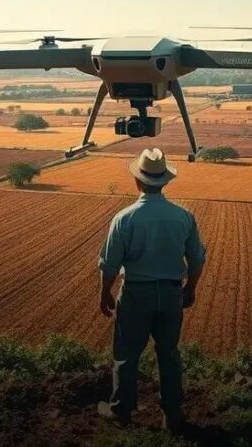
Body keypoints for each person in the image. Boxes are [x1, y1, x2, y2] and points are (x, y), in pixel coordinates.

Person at [96, 148, 206, 431]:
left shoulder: (124, 219)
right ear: (165, 182)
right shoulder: (184, 217)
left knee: (126, 355)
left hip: (135, 294)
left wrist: (104, 292)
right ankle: (171, 415)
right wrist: (190, 288)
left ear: (138, 181)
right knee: (168, 354)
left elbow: (110, 264)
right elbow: (197, 258)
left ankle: (121, 411)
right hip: (171, 294)